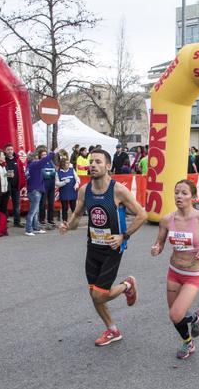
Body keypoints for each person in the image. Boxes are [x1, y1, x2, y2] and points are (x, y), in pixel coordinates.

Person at [59, 148, 148, 346]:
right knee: (95, 294)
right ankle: (112, 330)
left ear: (108, 166)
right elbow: (75, 220)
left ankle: (127, 285)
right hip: (93, 248)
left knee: (99, 294)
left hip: (112, 248)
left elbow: (142, 214)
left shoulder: (118, 190)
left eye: (98, 162)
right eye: (91, 162)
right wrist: (67, 225)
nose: (93, 165)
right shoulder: (84, 190)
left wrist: (123, 236)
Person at [150, 179, 199, 359]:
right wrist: (156, 249)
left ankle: (195, 318)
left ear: (193, 197)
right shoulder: (167, 220)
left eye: (184, 193)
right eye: (177, 192)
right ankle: (188, 342)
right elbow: (159, 244)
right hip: (174, 272)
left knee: (176, 314)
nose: (179, 196)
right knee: (174, 316)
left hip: (193, 274)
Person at [24, 146, 56, 235]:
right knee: (33, 211)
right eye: (37, 157)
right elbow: (44, 160)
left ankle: (36, 227)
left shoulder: (29, 166)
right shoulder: (34, 165)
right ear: (34, 158)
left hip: (32, 190)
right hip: (35, 190)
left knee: (35, 211)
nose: (38, 159)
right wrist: (53, 153)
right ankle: (28, 229)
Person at [2, 144, 22, 228]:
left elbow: (21, 171)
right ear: (5, 151)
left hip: (16, 186)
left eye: (11, 149)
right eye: (8, 149)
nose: (10, 151)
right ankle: (4, 221)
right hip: (6, 185)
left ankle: (17, 221)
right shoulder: (3, 160)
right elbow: (1, 173)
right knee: (4, 203)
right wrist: (8, 174)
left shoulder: (17, 160)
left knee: (16, 205)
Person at [55, 154, 79, 223]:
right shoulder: (58, 173)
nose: (69, 164)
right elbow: (57, 183)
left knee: (73, 207)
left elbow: (77, 178)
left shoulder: (72, 170)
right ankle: (65, 220)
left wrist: (77, 183)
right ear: (63, 164)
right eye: (67, 163)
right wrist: (64, 182)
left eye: (69, 163)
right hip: (64, 192)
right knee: (64, 208)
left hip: (72, 191)